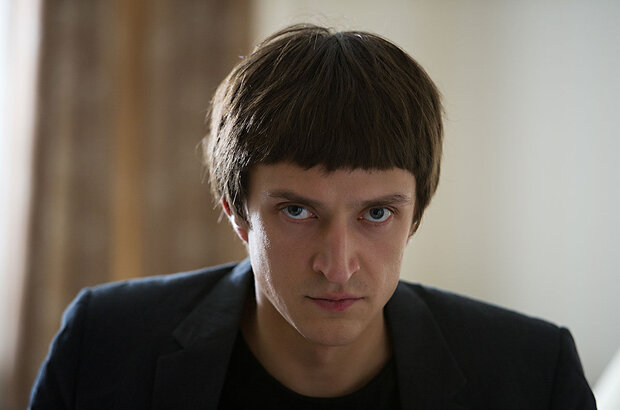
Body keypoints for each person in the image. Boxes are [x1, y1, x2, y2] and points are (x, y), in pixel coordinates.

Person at [30, 24, 596, 409]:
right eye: (297, 211)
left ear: (416, 215)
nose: (338, 265)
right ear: (237, 213)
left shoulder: (532, 373)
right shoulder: (103, 344)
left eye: (377, 213)